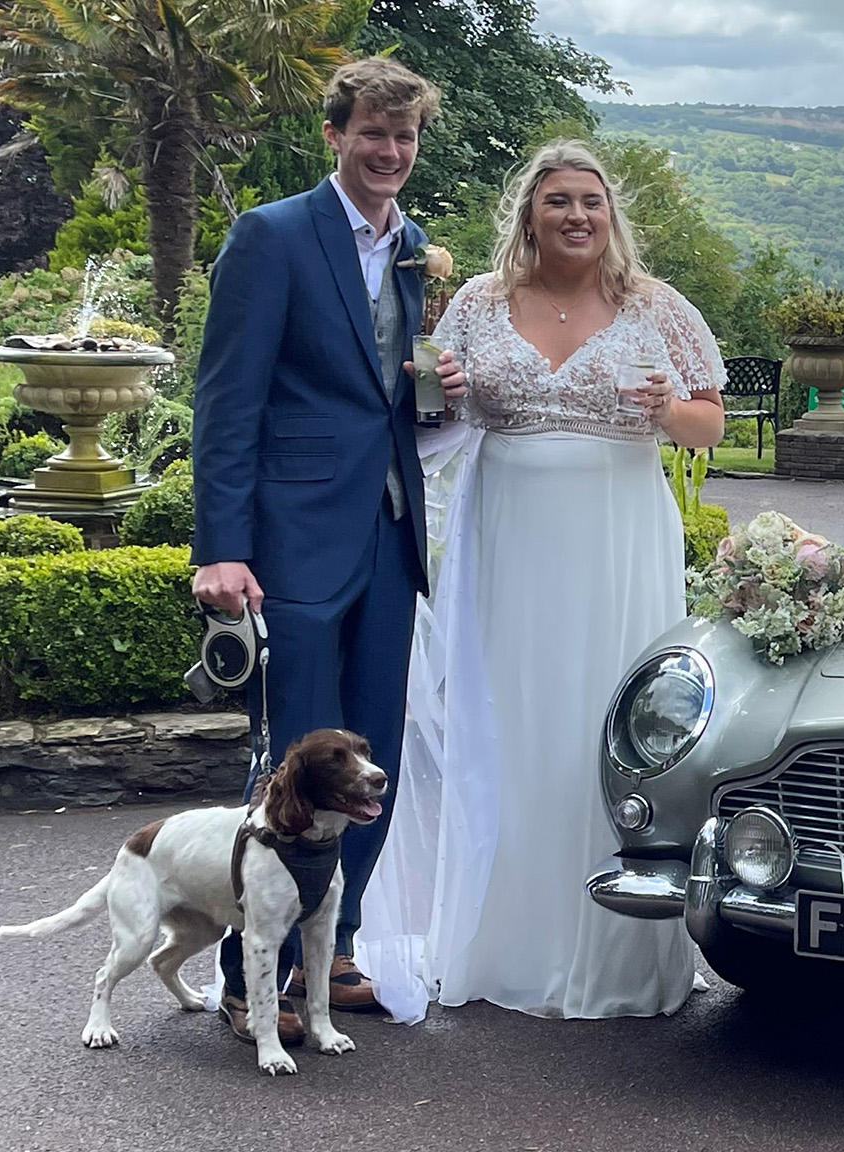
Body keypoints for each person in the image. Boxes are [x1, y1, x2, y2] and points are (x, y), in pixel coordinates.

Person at [356, 140, 725, 1021]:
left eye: (591, 203)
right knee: (506, 723)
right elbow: (429, 404)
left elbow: (707, 424)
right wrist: (435, 383)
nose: (577, 217)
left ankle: (619, 952)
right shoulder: (481, 303)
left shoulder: (657, 307)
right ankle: (502, 943)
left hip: (618, 537)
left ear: (612, 216)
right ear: (529, 212)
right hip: (508, 536)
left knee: (609, 722)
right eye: (558, 201)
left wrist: (665, 411)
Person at [189, 57, 442, 1044]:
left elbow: (392, 397)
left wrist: (438, 385)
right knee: (295, 757)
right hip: (290, 539)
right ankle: (248, 980)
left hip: (387, 534)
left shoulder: (416, 247)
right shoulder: (272, 235)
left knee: (366, 751)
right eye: (372, 132)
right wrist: (222, 547)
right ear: (334, 135)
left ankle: (334, 951)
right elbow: (226, 401)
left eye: (404, 136)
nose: (389, 151)